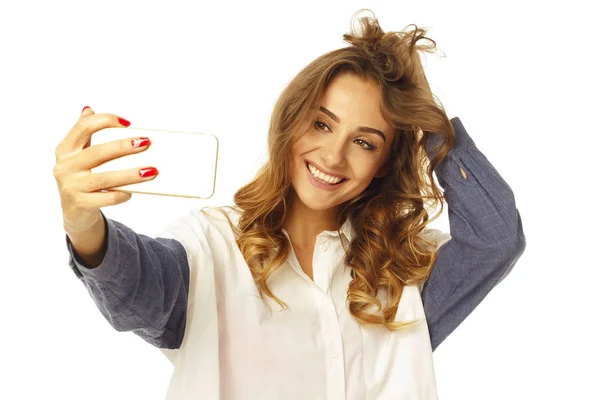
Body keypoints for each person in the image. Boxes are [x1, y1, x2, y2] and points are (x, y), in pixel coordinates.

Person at [54, 10, 526, 400]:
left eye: (364, 141)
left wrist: (431, 124)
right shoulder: (211, 247)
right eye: (321, 125)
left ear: (384, 162)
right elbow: (134, 291)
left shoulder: (401, 272)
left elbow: (496, 238)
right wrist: (83, 225)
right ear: (292, 120)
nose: (333, 156)